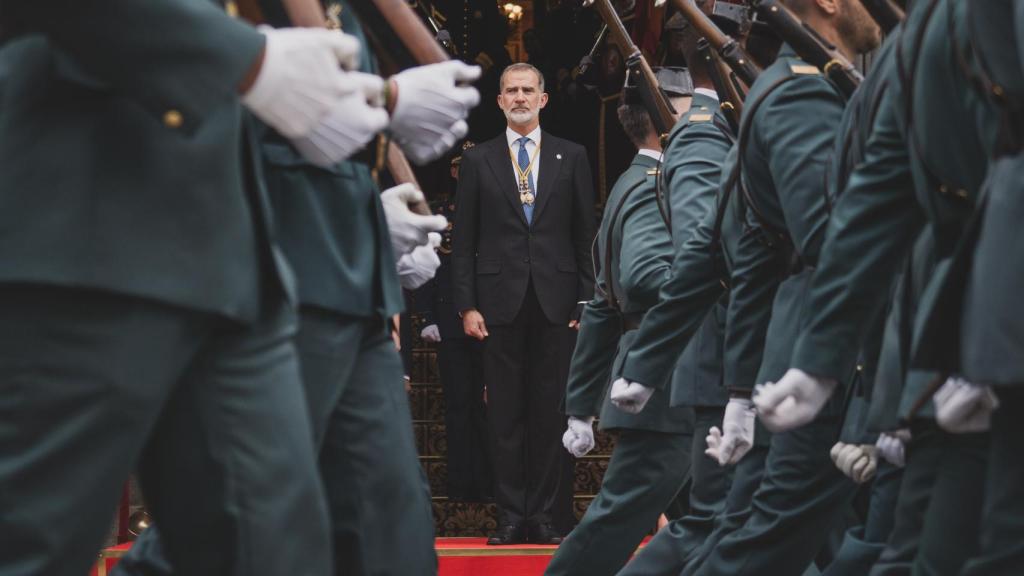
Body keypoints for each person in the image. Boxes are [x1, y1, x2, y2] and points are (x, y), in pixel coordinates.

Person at [0, 0, 384, 573]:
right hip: (85, 216)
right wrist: (247, 60)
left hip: (229, 251)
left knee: (278, 553)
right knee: (32, 548)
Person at [754, 1, 1005, 574]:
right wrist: (840, 373)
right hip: (956, 352)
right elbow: (867, 213)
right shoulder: (913, 48)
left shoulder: (910, 47)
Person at [546, 68, 694, 576]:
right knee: (613, 528)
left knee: (716, 523)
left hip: (672, 386)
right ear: (667, 119)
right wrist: (718, 273)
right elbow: (645, 279)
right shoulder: (655, 185)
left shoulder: (639, 183)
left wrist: (579, 405)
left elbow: (604, 307)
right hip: (668, 386)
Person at [452, 62, 597, 545]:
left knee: (550, 413)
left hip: (558, 302)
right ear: (498, 101)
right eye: (510, 90)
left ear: (543, 98)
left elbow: (584, 236)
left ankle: (551, 519)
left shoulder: (572, 156)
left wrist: (586, 297)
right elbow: (465, 242)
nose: (519, 97)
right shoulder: (478, 161)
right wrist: (466, 305)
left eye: (527, 90)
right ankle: (512, 517)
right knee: (505, 417)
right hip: (497, 305)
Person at [415, 141, 493, 502]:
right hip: (448, 319)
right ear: (453, 171)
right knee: (459, 405)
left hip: (491, 321)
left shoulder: (495, 207)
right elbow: (427, 270)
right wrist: (427, 316)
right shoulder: (439, 213)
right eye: (461, 167)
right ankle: (462, 486)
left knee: (491, 408)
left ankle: (492, 482)